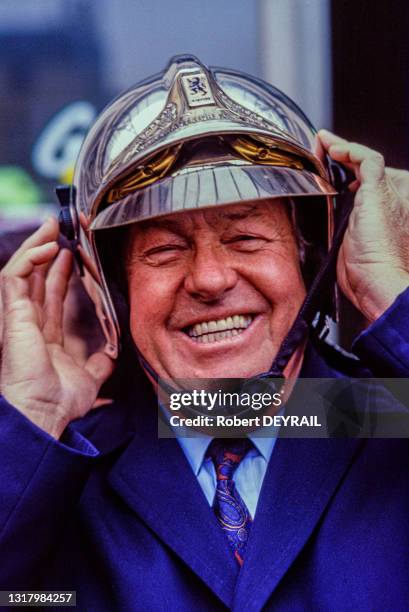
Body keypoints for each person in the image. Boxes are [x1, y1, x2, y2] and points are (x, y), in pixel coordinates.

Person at [0, 55, 408, 610]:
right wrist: (32, 425)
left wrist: (392, 296)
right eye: (164, 250)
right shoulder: (64, 470)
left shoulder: (387, 417)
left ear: (309, 262)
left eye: (246, 238)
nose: (210, 279)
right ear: (115, 289)